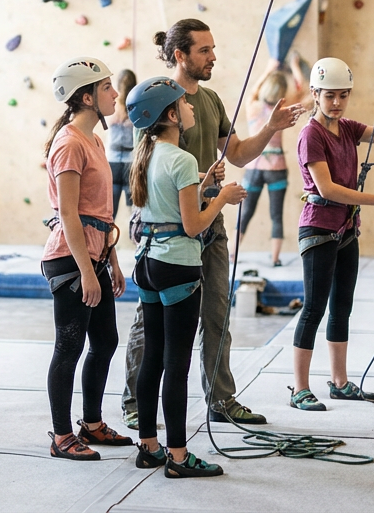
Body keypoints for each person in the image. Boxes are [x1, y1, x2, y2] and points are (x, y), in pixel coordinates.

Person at [120, 19, 303, 428]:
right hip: (169, 231)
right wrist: (205, 185)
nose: (213, 57)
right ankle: (136, 402)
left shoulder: (212, 101)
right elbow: (147, 170)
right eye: (204, 50)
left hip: (209, 226)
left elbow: (237, 153)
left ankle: (221, 398)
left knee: (217, 312)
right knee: (151, 323)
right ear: (180, 55)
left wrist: (270, 127)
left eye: (213, 49)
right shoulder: (154, 101)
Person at [126, 76, 247, 478]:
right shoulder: (182, 159)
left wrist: (203, 186)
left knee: (155, 359)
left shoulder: (147, 155)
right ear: (172, 115)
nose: (192, 106)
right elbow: (194, 226)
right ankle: (178, 457)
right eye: (184, 103)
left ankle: (148, 446)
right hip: (177, 263)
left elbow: (169, 205)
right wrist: (222, 198)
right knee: (176, 364)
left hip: (147, 262)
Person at [289, 58, 374, 411]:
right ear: (315, 95)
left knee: (342, 308)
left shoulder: (348, 128)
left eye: (343, 96)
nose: (336, 103)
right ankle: (299, 389)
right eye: (329, 96)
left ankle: (339, 382)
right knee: (314, 308)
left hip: (346, 230)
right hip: (320, 228)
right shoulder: (311, 134)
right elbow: (328, 188)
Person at [41, 57, 132, 460]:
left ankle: (91, 423)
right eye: (108, 87)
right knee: (69, 346)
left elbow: (100, 213)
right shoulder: (69, 143)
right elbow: (68, 213)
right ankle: (61, 436)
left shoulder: (94, 139)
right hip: (70, 259)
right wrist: (85, 271)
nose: (114, 94)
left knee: (106, 340)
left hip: (94, 256)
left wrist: (110, 262)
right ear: (86, 96)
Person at [236, 57, 308, 267]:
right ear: (282, 93)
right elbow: (302, 91)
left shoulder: (253, 108)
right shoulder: (284, 112)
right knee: (276, 215)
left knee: (246, 212)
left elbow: (253, 92)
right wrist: (295, 67)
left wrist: (268, 70)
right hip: (277, 167)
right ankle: (275, 258)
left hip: (253, 168)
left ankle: (233, 254)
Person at [107, 69, 138, 217]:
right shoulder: (129, 105)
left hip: (121, 160)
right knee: (130, 209)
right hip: (124, 160)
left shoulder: (128, 105)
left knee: (115, 209)